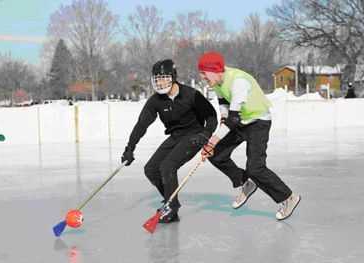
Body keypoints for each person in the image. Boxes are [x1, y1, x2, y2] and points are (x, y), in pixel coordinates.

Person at [197, 51, 301, 220]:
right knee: (216, 155)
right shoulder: (216, 83)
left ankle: (288, 197)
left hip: (258, 122)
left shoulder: (238, 81)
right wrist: (214, 143)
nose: (202, 77)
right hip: (240, 122)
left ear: (215, 70)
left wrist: (212, 141)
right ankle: (245, 182)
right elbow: (224, 111)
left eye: (204, 73)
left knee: (255, 168)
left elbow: (233, 118)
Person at [121, 59, 218, 223]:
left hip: (195, 135)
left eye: (164, 78)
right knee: (151, 169)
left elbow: (211, 116)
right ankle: (170, 201)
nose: (160, 82)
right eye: (157, 79)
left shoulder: (191, 94)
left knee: (167, 166)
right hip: (175, 137)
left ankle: (171, 208)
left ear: (173, 77)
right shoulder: (155, 101)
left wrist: (206, 134)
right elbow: (141, 125)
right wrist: (129, 148)